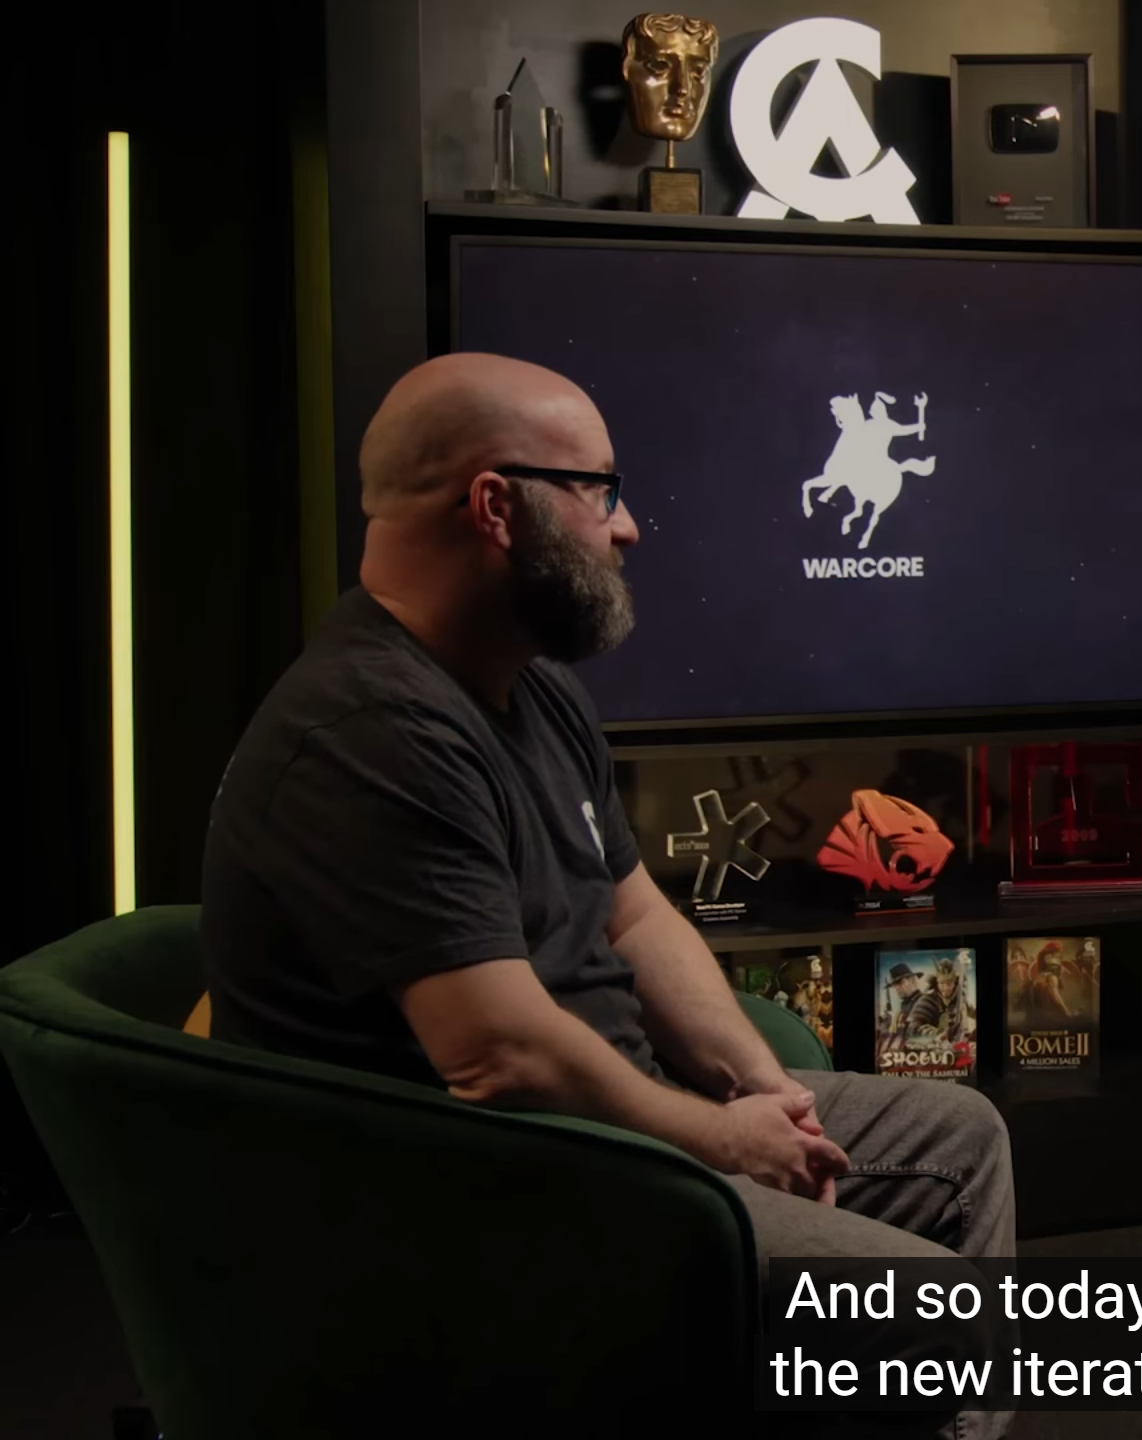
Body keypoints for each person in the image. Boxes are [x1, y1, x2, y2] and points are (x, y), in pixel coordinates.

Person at [200, 354, 1012, 1438]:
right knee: (929, 1315)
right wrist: (722, 1143)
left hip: (599, 1137)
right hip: (484, 1200)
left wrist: (766, 1092)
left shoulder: (530, 688)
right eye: (598, 491)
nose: (627, 528)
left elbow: (634, 915)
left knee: (958, 1136)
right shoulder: (370, 733)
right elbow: (499, 1057)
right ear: (495, 506)